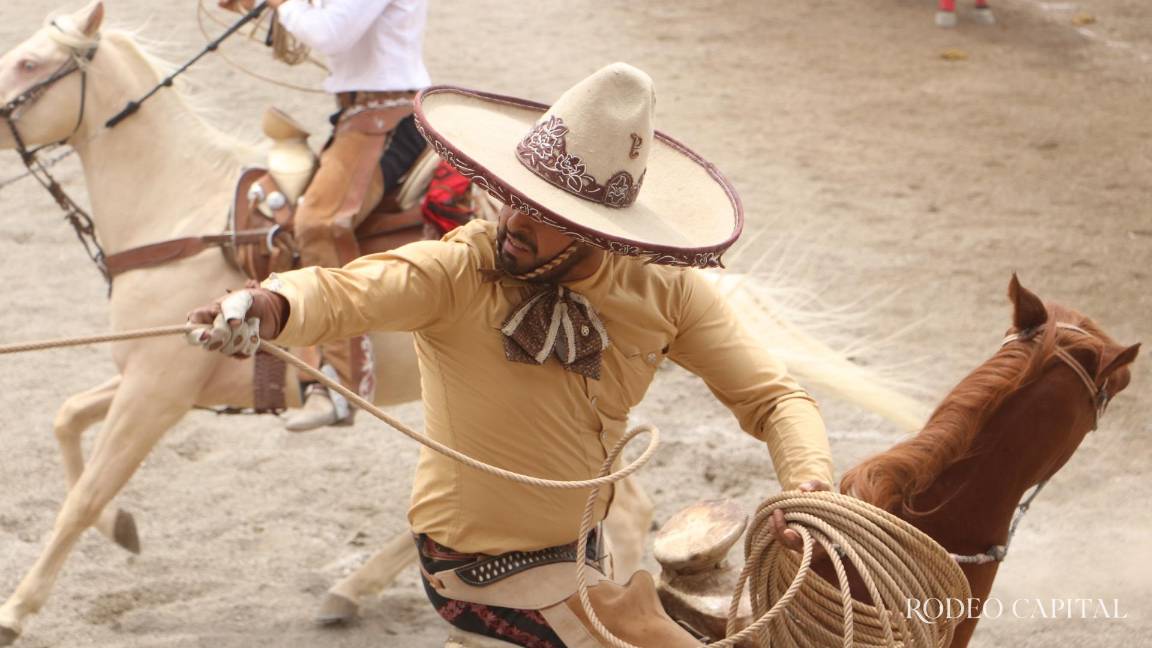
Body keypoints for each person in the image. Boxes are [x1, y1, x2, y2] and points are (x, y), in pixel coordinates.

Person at [188, 63, 834, 646]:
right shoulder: (461, 268)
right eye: (513, 195)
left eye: (541, 210)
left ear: (597, 233)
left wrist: (809, 486)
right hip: (476, 569)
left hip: (581, 554)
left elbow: (773, 398)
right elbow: (346, 290)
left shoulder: (664, 291)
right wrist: (268, 305)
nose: (512, 220)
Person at [219, 0, 432, 431]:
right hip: (361, 117)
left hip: (383, 121)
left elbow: (331, 33)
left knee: (318, 222)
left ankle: (338, 383)